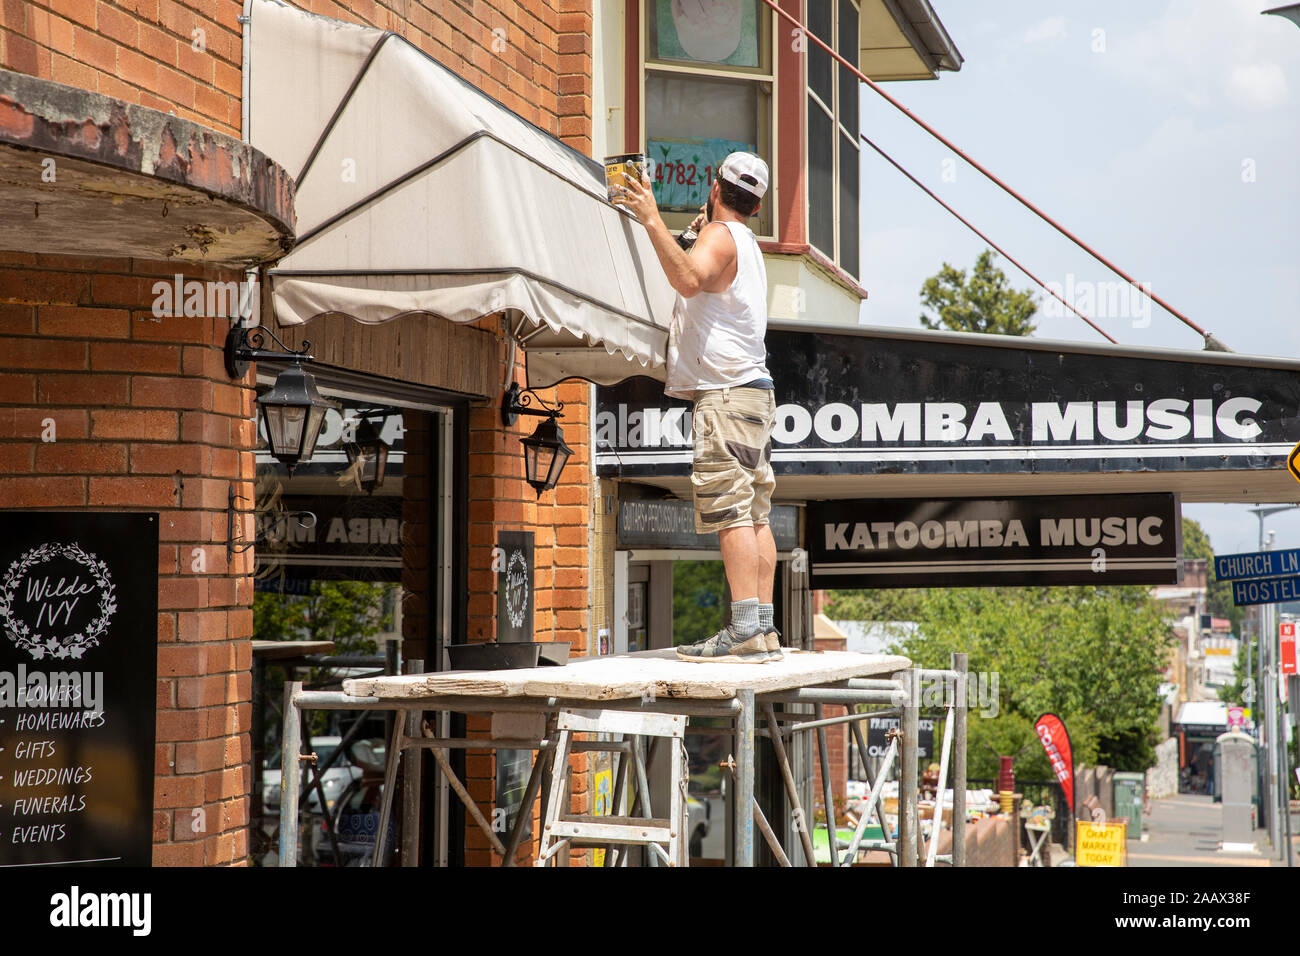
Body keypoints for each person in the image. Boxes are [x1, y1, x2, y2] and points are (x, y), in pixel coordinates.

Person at [613, 152, 780, 664]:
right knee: (754, 511)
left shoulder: (721, 238)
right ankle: (765, 629)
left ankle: (746, 629)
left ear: (714, 187)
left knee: (730, 509)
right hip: (752, 391)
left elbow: (687, 280)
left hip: (726, 394)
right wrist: (690, 240)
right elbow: (702, 280)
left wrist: (650, 216)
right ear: (757, 204)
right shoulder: (744, 243)